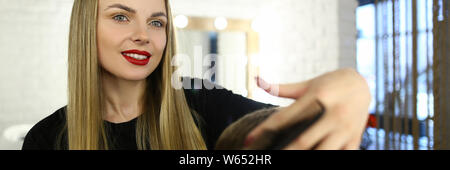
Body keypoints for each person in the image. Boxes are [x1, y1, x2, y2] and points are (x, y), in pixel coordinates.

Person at [22, 0, 371, 150]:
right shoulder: (45, 139)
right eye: (120, 16)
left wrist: (352, 88)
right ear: (86, 29)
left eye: (156, 22)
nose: (143, 34)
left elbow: (295, 131)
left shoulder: (205, 104)